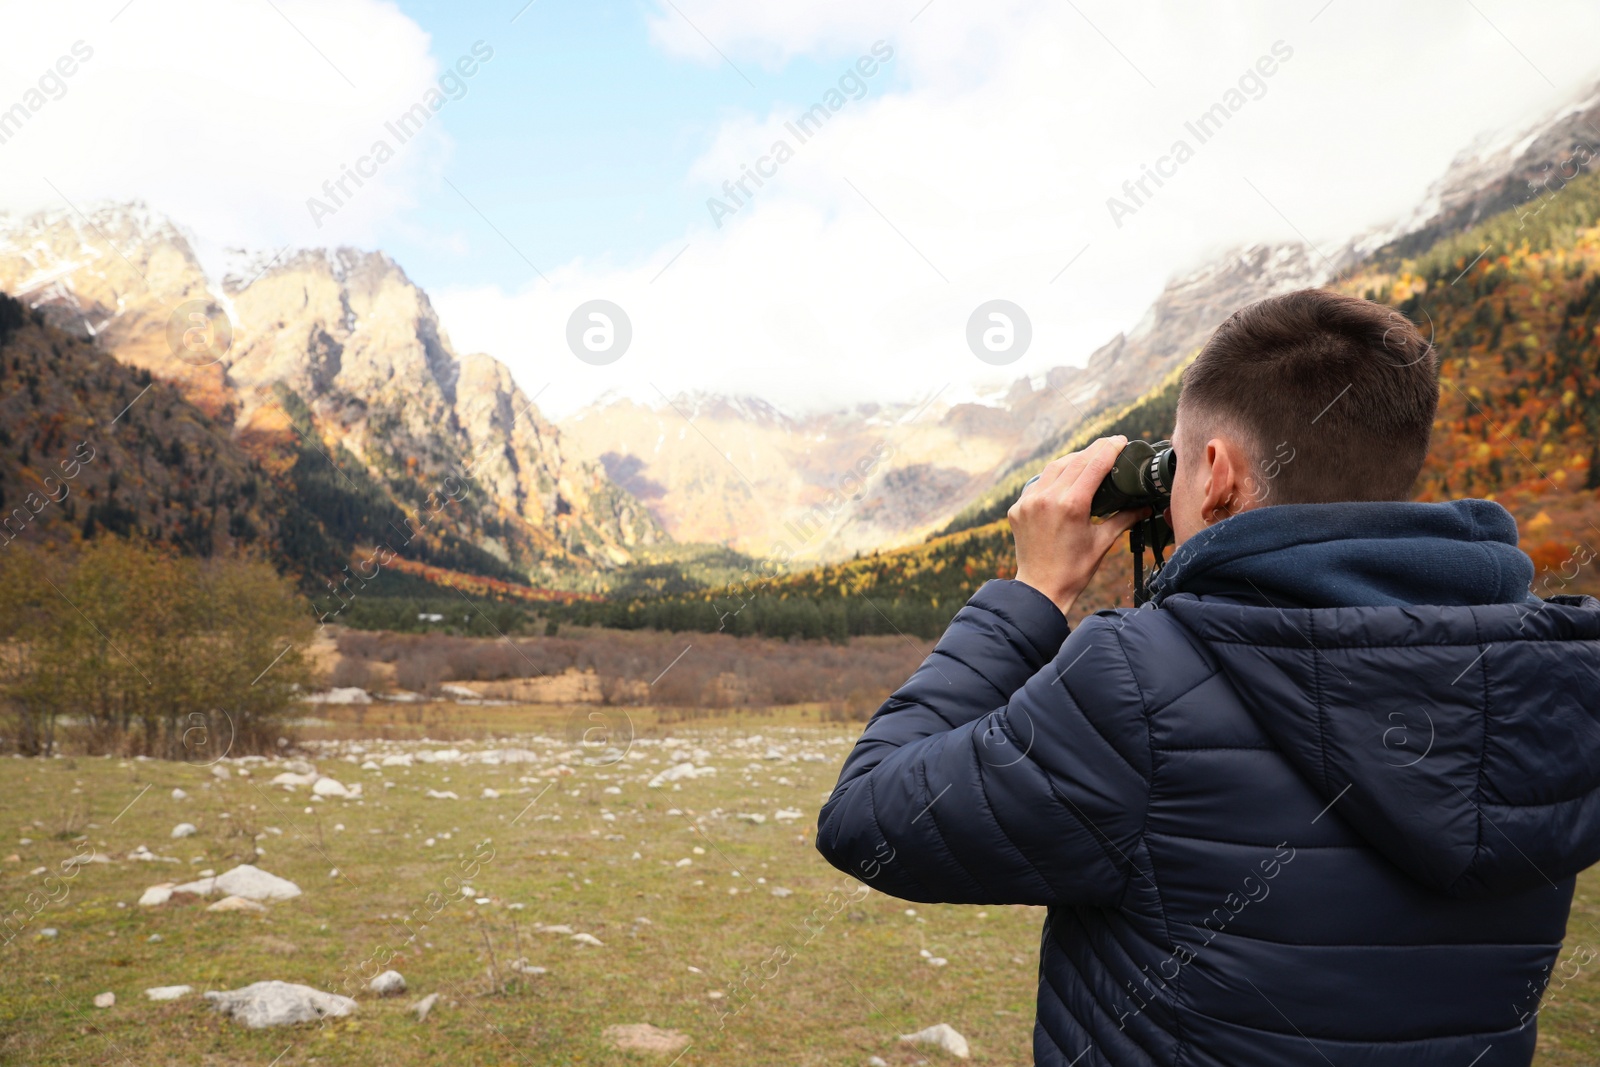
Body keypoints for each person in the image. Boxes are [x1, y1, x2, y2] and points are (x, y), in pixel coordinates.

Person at [816, 288, 1600, 1066]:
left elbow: (868, 816)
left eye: (1180, 465)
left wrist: (1030, 595)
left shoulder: (1142, 685)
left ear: (1218, 472)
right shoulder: (1547, 676)